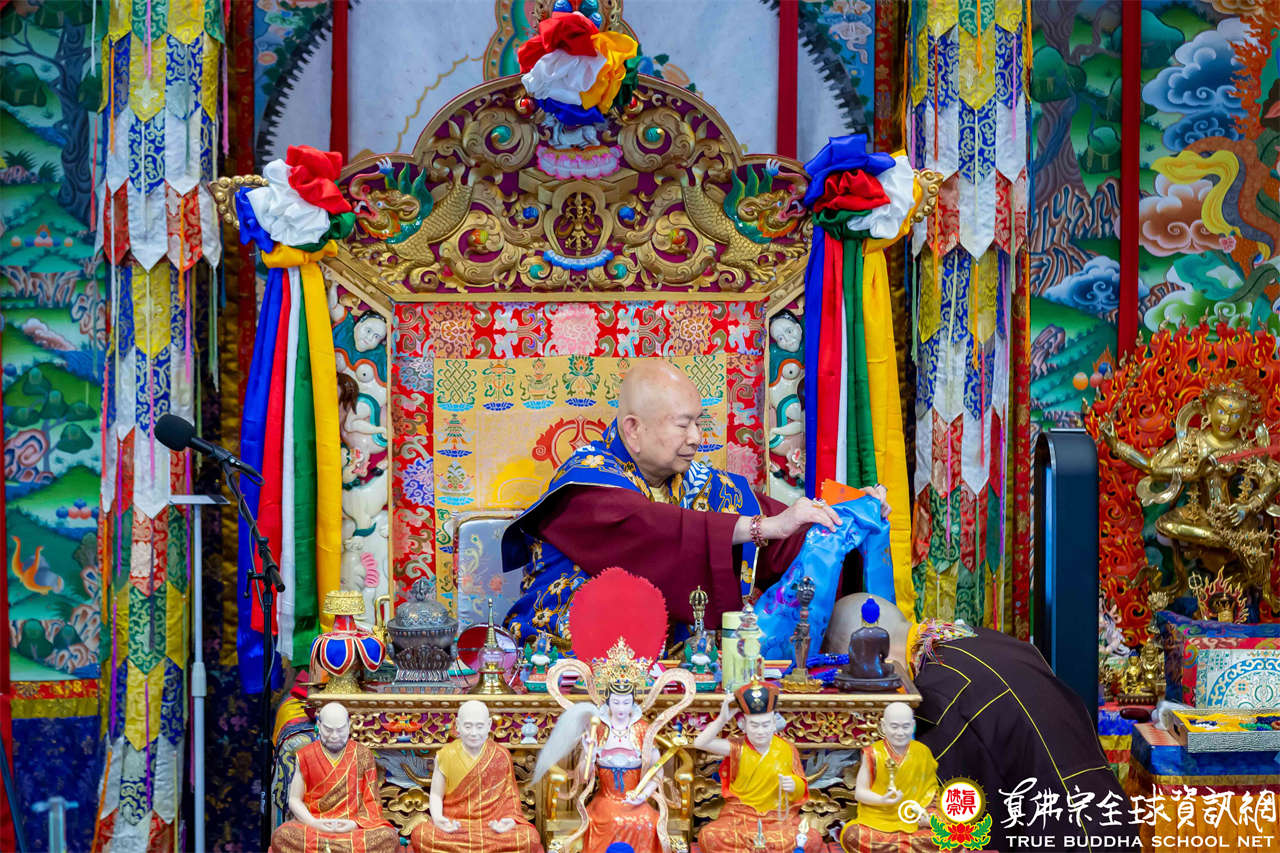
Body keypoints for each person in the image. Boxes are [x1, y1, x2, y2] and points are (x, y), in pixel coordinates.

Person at [503, 358, 889, 642]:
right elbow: (651, 528)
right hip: (571, 660)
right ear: (633, 429)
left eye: (698, 423)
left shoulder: (697, 482)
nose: (696, 438)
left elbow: (787, 533)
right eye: (683, 424)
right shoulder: (585, 485)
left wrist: (848, 519)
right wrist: (762, 527)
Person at [827, 595, 1139, 853]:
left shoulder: (935, 697)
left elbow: (959, 820)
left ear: (871, 660)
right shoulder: (980, 638)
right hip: (1110, 818)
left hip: (1064, 836)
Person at [692, 680, 823, 853]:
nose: (760, 731)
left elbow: (800, 789)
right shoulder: (737, 748)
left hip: (777, 819)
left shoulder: (786, 748)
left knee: (812, 838)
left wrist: (794, 785)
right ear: (744, 726)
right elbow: (700, 743)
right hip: (740, 817)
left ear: (774, 724)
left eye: (765, 724)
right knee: (709, 836)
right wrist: (722, 719)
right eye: (754, 725)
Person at [409, 700, 542, 853]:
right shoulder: (446, 754)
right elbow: (436, 795)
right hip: (456, 827)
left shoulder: (501, 755)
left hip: (491, 827)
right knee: (421, 834)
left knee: (530, 837)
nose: (473, 733)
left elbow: (510, 799)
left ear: (489, 725)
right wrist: (439, 819)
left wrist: (509, 821)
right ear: (458, 725)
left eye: (479, 726)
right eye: (467, 726)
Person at [269, 702, 399, 853]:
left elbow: (372, 802)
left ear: (349, 726)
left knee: (389, 838)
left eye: (340, 729)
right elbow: (294, 799)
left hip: (351, 829)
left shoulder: (363, 754)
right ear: (319, 725)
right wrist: (313, 822)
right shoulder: (305, 755)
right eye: (328, 730)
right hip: (317, 828)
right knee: (282, 836)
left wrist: (354, 824)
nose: (335, 736)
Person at [840, 702, 937, 853]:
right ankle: (907, 847)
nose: (900, 732)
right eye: (894, 726)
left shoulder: (923, 752)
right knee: (853, 835)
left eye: (905, 727)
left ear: (913, 726)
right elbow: (860, 793)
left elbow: (932, 794)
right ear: (884, 726)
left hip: (914, 821)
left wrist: (928, 816)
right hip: (878, 820)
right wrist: (882, 800)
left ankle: (898, 847)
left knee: (951, 836)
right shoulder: (873, 753)